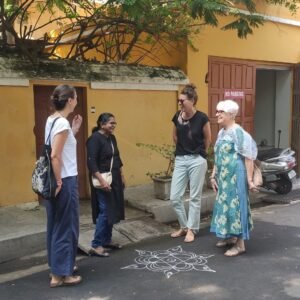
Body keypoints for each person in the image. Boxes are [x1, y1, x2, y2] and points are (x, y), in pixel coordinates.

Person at [45, 84, 83, 287]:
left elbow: (60, 148)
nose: (76, 100)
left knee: (56, 224)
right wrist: (60, 181)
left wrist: (74, 130)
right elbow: (55, 155)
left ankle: (57, 267)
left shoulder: (53, 121)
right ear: (69, 100)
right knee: (66, 227)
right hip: (64, 179)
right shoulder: (61, 124)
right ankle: (61, 274)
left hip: (56, 178)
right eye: (75, 97)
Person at [210, 99, 258, 257]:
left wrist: (250, 181)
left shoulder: (238, 132)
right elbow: (218, 154)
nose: (217, 114)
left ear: (230, 114)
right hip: (224, 177)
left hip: (235, 175)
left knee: (236, 207)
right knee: (225, 205)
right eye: (217, 111)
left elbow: (249, 157)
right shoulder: (222, 132)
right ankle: (229, 236)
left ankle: (240, 244)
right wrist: (213, 174)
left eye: (220, 112)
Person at [170, 84, 211, 243]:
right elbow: (174, 136)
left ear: (192, 100)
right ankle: (184, 226)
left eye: (182, 101)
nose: (180, 103)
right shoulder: (177, 116)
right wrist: (182, 149)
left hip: (196, 160)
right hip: (181, 159)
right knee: (175, 197)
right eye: (179, 101)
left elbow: (208, 139)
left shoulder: (202, 118)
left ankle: (192, 229)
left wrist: (201, 155)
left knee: (195, 197)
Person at [86, 113, 125, 257]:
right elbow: (91, 162)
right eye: (111, 123)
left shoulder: (112, 138)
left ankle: (106, 240)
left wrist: (121, 175)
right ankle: (96, 244)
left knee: (112, 209)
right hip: (102, 179)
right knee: (104, 211)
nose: (113, 125)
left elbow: (117, 157)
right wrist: (102, 182)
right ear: (102, 124)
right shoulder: (94, 139)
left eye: (115, 123)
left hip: (114, 178)